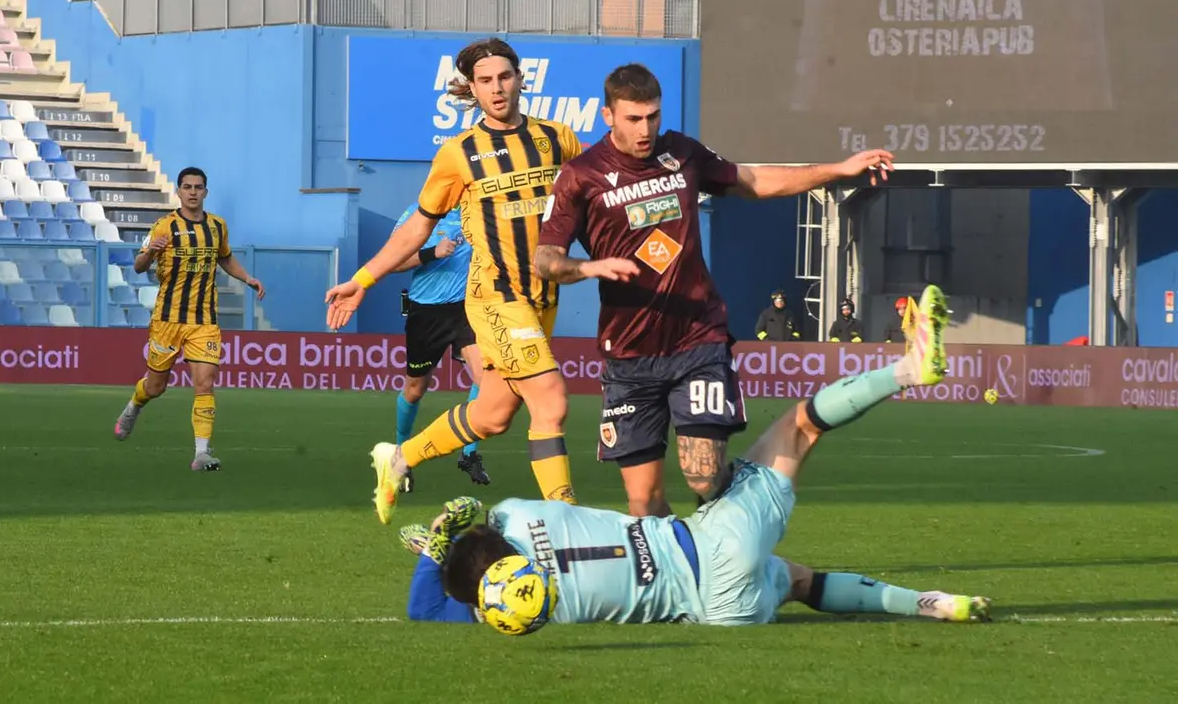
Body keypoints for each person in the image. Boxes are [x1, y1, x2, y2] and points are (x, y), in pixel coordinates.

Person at [437, 285, 991, 628]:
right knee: (800, 427)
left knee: (801, 583)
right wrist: (449, 530)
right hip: (709, 545)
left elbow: (450, 598)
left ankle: (931, 603)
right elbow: (488, 529)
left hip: (720, 612)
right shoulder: (517, 515)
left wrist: (445, 564)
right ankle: (909, 369)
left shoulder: (532, 611)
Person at [534, 63, 896, 518]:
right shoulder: (580, 175)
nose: (645, 129)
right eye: (633, 118)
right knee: (643, 501)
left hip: (697, 339)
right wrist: (589, 267)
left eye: (653, 116)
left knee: (703, 475)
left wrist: (838, 170)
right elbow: (545, 259)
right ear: (608, 116)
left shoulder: (682, 153)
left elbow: (754, 181)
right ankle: (683, 562)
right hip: (629, 354)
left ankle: (743, 525)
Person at [325, 38, 585, 524]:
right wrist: (364, 279)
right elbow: (417, 229)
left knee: (492, 415)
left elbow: (591, 200)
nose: (497, 88)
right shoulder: (459, 153)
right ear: (474, 89)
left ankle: (398, 458)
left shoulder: (558, 139)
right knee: (550, 400)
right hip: (495, 298)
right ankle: (567, 526)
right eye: (485, 81)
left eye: (504, 77)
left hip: (542, 298)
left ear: (520, 79)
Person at [112, 167, 265, 471]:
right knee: (155, 387)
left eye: (198, 187)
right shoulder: (164, 226)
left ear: (205, 191)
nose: (193, 192)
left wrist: (247, 278)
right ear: (179, 191)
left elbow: (224, 256)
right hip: (168, 320)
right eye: (187, 187)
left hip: (204, 320)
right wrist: (150, 252)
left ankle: (201, 453)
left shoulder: (217, 226)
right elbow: (139, 266)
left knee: (205, 383)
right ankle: (134, 405)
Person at [388, 202, 490, 492]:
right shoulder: (417, 215)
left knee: (486, 378)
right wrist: (432, 252)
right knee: (414, 390)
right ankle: (400, 453)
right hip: (426, 313)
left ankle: (469, 454)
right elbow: (393, 262)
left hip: (465, 309)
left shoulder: (477, 211)